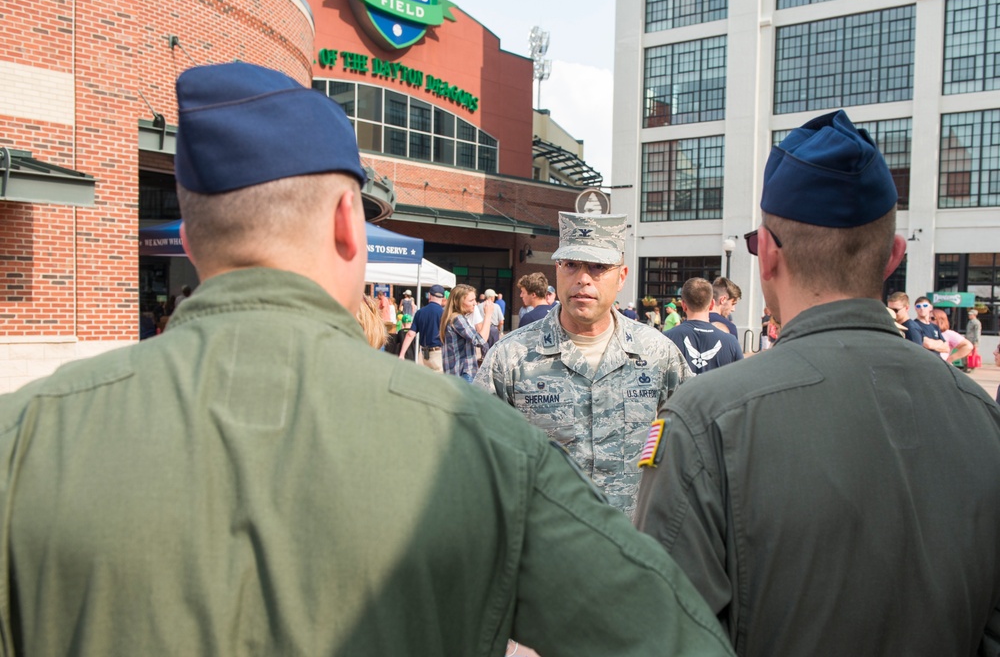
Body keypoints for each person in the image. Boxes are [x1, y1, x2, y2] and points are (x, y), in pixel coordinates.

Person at [0, 62, 735, 657]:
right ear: (349, 224)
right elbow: (665, 635)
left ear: (192, 241)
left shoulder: (24, 440)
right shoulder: (476, 443)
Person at [634, 110, 1000, 656]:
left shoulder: (705, 420)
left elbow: (660, 636)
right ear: (893, 257)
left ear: (769, 252)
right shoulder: (980, 414)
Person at [475, 212, 692, 518]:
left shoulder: (658, 353)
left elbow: (691, 445)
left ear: (622, 275)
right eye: (571, 265)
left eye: (599, 267)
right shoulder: (511, 357)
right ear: (557, 270)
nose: (583, 278)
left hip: (633, 546)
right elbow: (476, 456)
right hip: (545, 549)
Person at [664, 278, 742, 374]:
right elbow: (740, 378)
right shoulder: (731, 341)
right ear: (712, 304)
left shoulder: (666, 339)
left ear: (683, 305)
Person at [441, 284, 491, 383]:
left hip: (457, 374)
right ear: (458, 302)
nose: (475, 303)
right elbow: (481, 340)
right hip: (463, 374)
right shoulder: (457, 319)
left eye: (475, 300)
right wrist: (488, 314)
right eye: (471, 300)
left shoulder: (454, 318)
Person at [398, 284, 446, 371]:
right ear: (442, 298)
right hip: (439, 353)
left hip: (423, 354)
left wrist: (402, 354)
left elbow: (410, 334)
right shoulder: (444, 314)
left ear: (429, 295)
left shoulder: (420, 312)